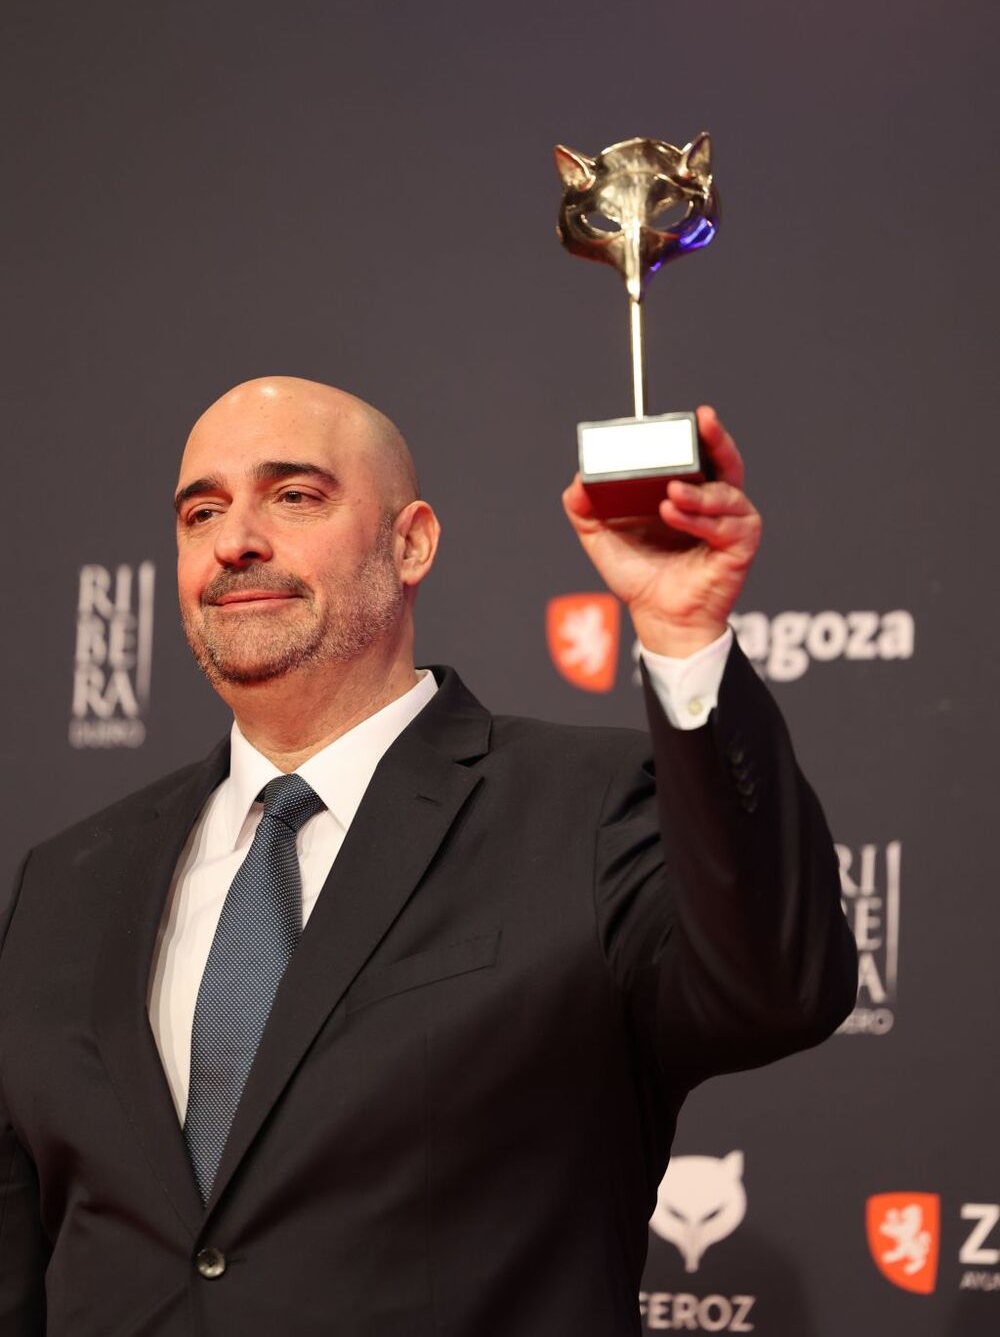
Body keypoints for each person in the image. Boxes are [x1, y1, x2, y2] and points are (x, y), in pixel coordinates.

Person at [0, 376, 857, 1337]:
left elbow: (779, 987)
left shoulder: (586, 810)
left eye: (294, 496)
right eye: (202, 512)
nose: (234, 540)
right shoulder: (64, 886)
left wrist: (684, 634)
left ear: (410, 543)